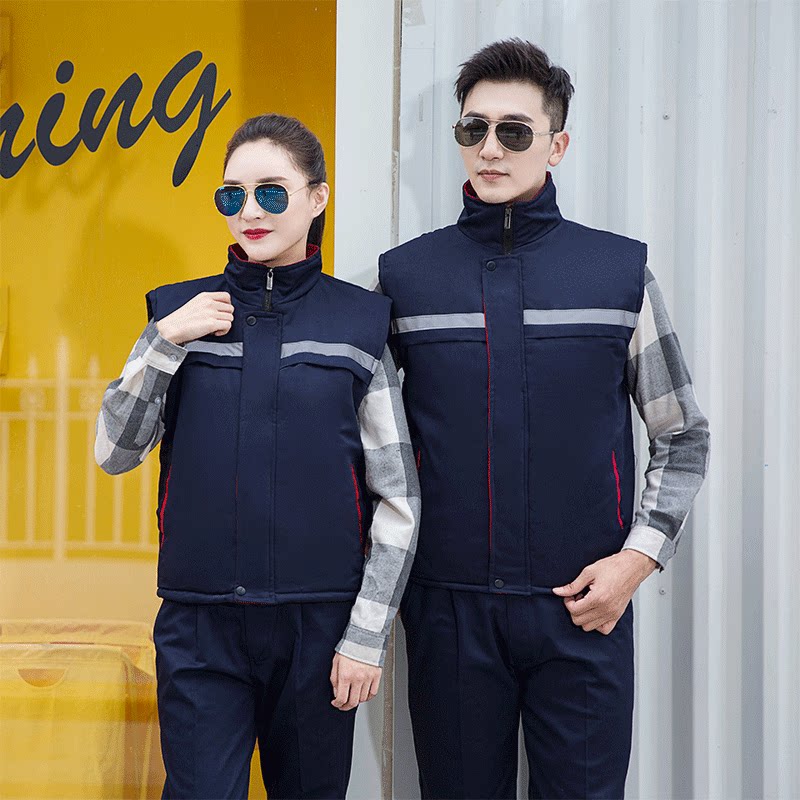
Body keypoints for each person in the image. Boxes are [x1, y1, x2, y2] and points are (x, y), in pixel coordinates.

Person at [376, 39, 710, 799]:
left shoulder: (618, 273)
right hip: (449, 612)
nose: (490, 149)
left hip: (584, 608)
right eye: (473, 129)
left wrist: (636, 562)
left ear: (556, 145)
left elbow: (682, 435)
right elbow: (371, 447)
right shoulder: (406, 278)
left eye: (514, 131)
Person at [95, 113, 420, 800]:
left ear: (317, 197)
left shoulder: (359, 323)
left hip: (319, 628)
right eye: (232, 195)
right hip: (200, 625)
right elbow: (115, 452)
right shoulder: (177, 313)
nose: (250, 211)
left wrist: (365, 636)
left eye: (271, 192)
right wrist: (163, 341)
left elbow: (398, 497)